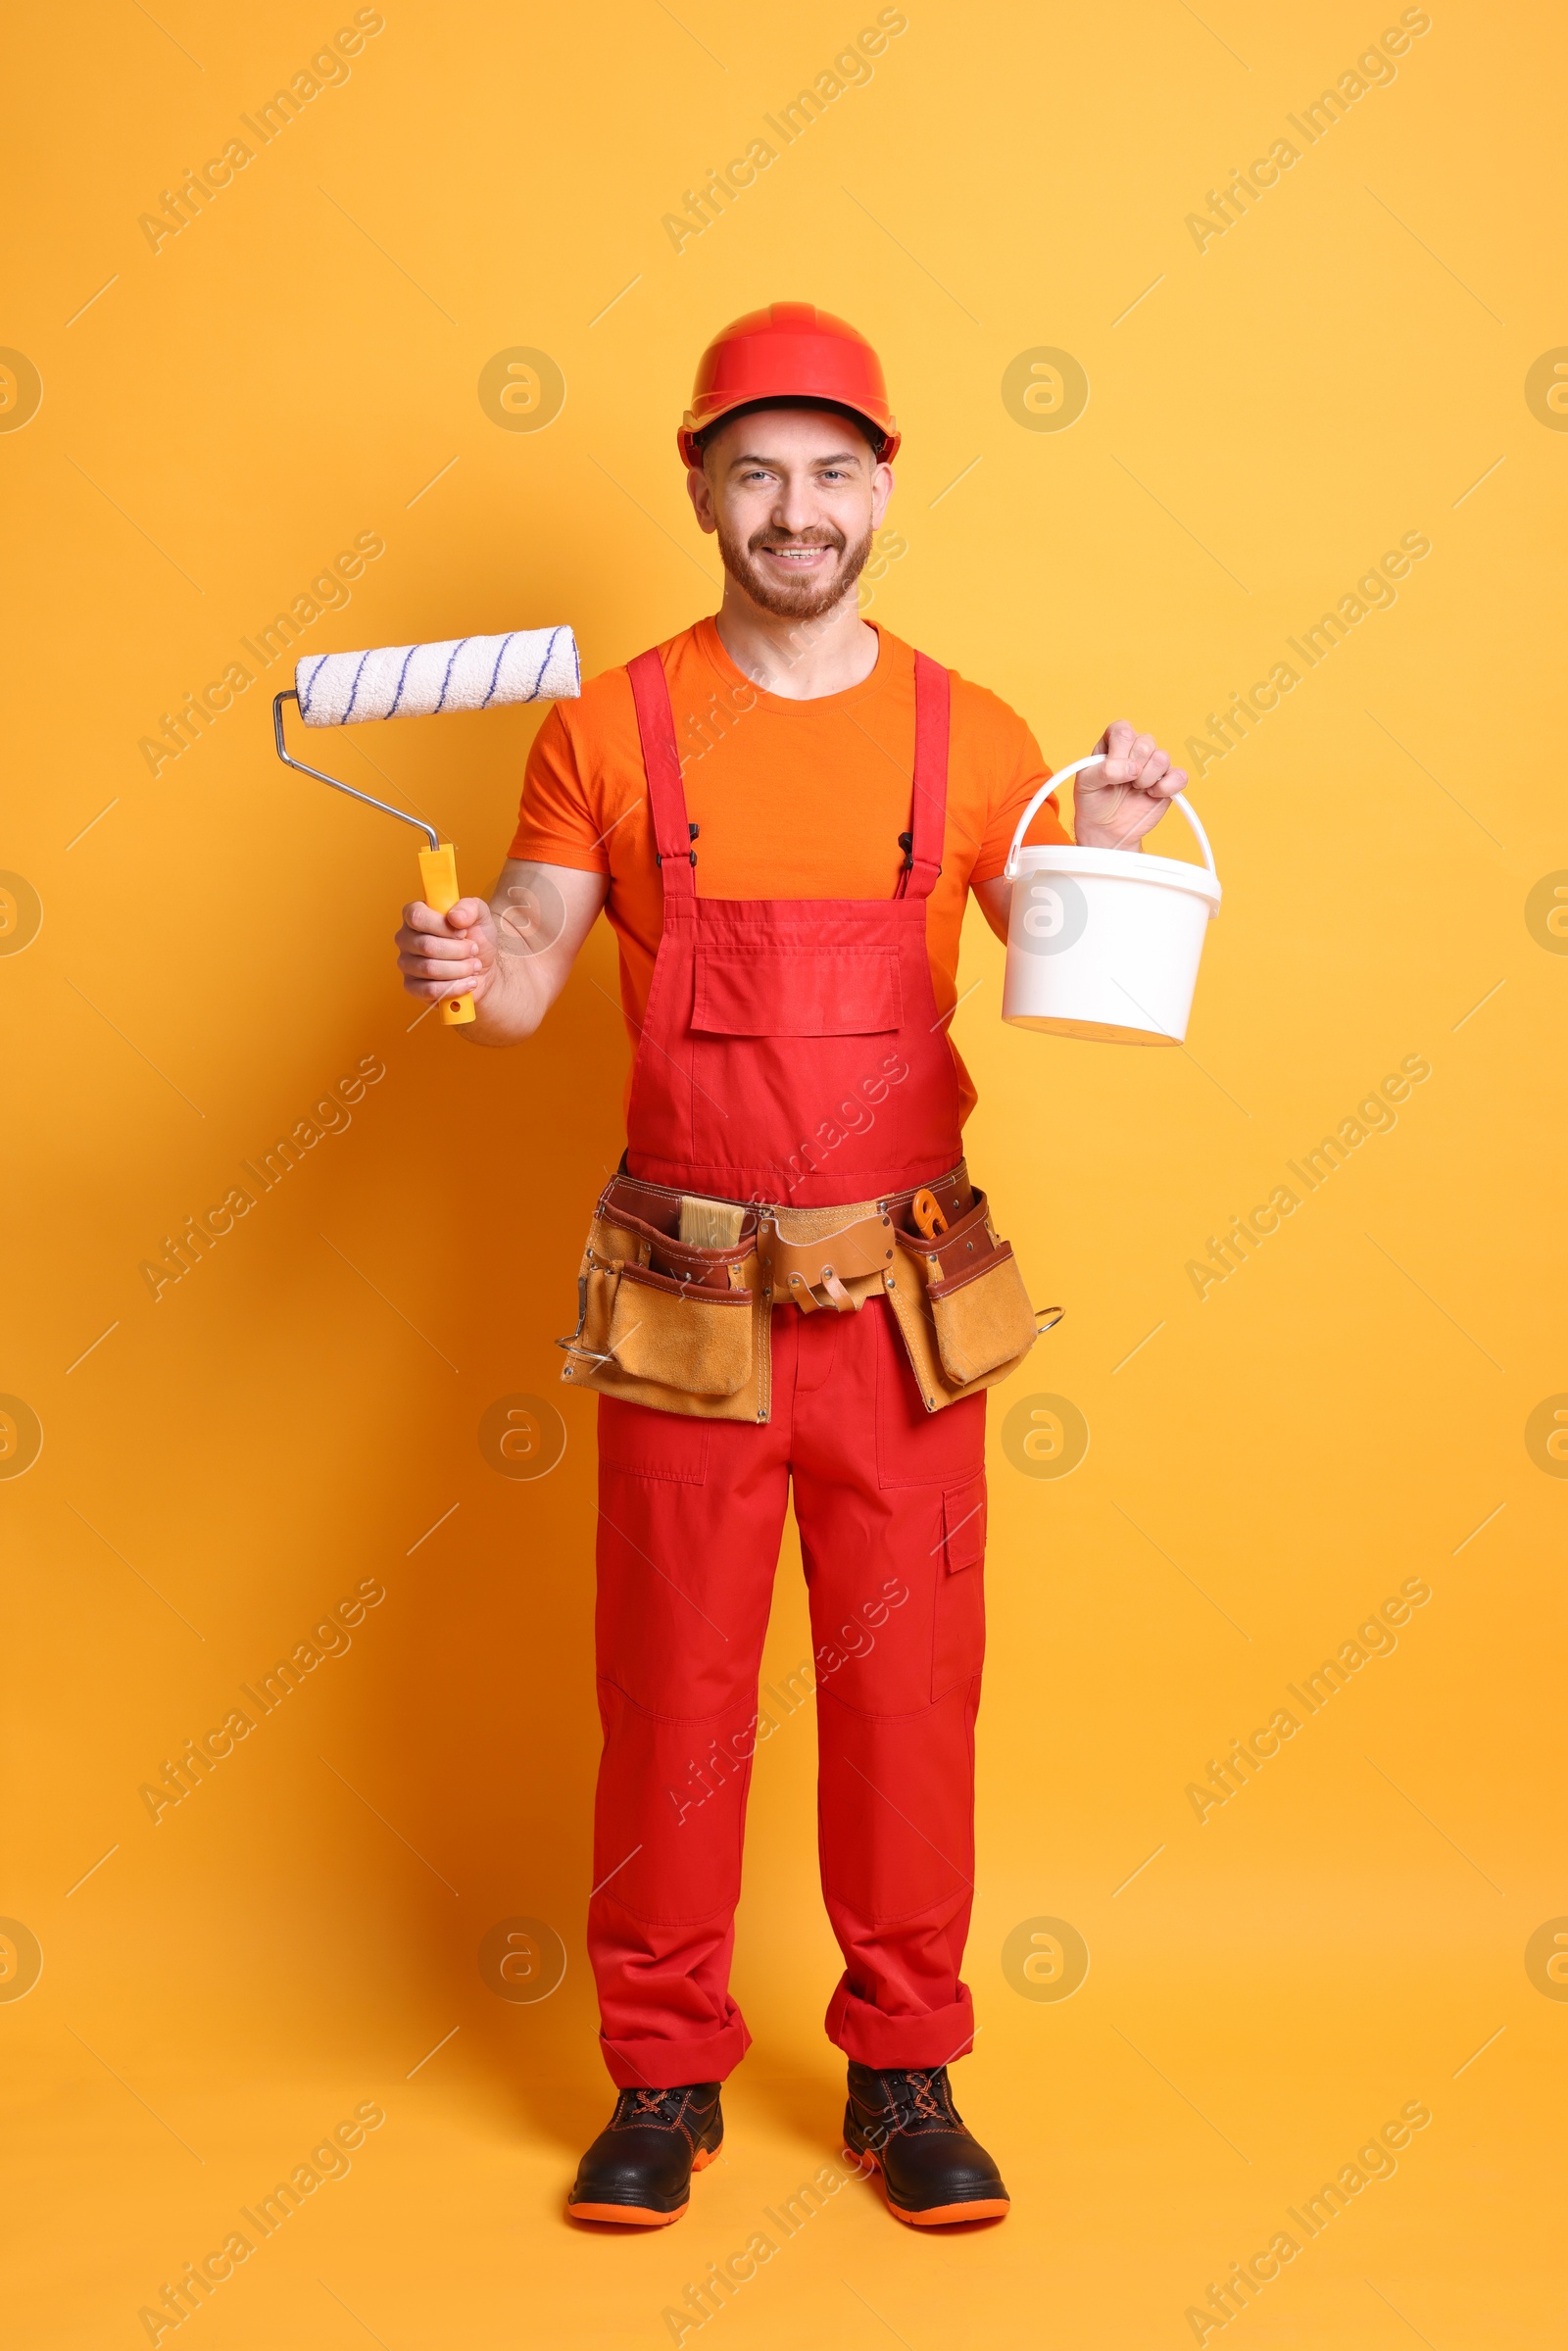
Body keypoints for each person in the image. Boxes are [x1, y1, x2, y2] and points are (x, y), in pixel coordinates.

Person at [395, 302, 1186, 2230]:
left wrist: (1122, 841)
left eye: (832, 471)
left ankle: (902, 2069)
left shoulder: (970, 733)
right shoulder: (608, 728)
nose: (795, 507)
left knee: (911, 1699)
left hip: (904, 1304)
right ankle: (658, 2084)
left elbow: (1070, 967)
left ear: (884, 488)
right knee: (669, 1700)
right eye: (754, 470)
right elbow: (518, 981)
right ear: (697, 486)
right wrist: (465, 971)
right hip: (684, 1302)